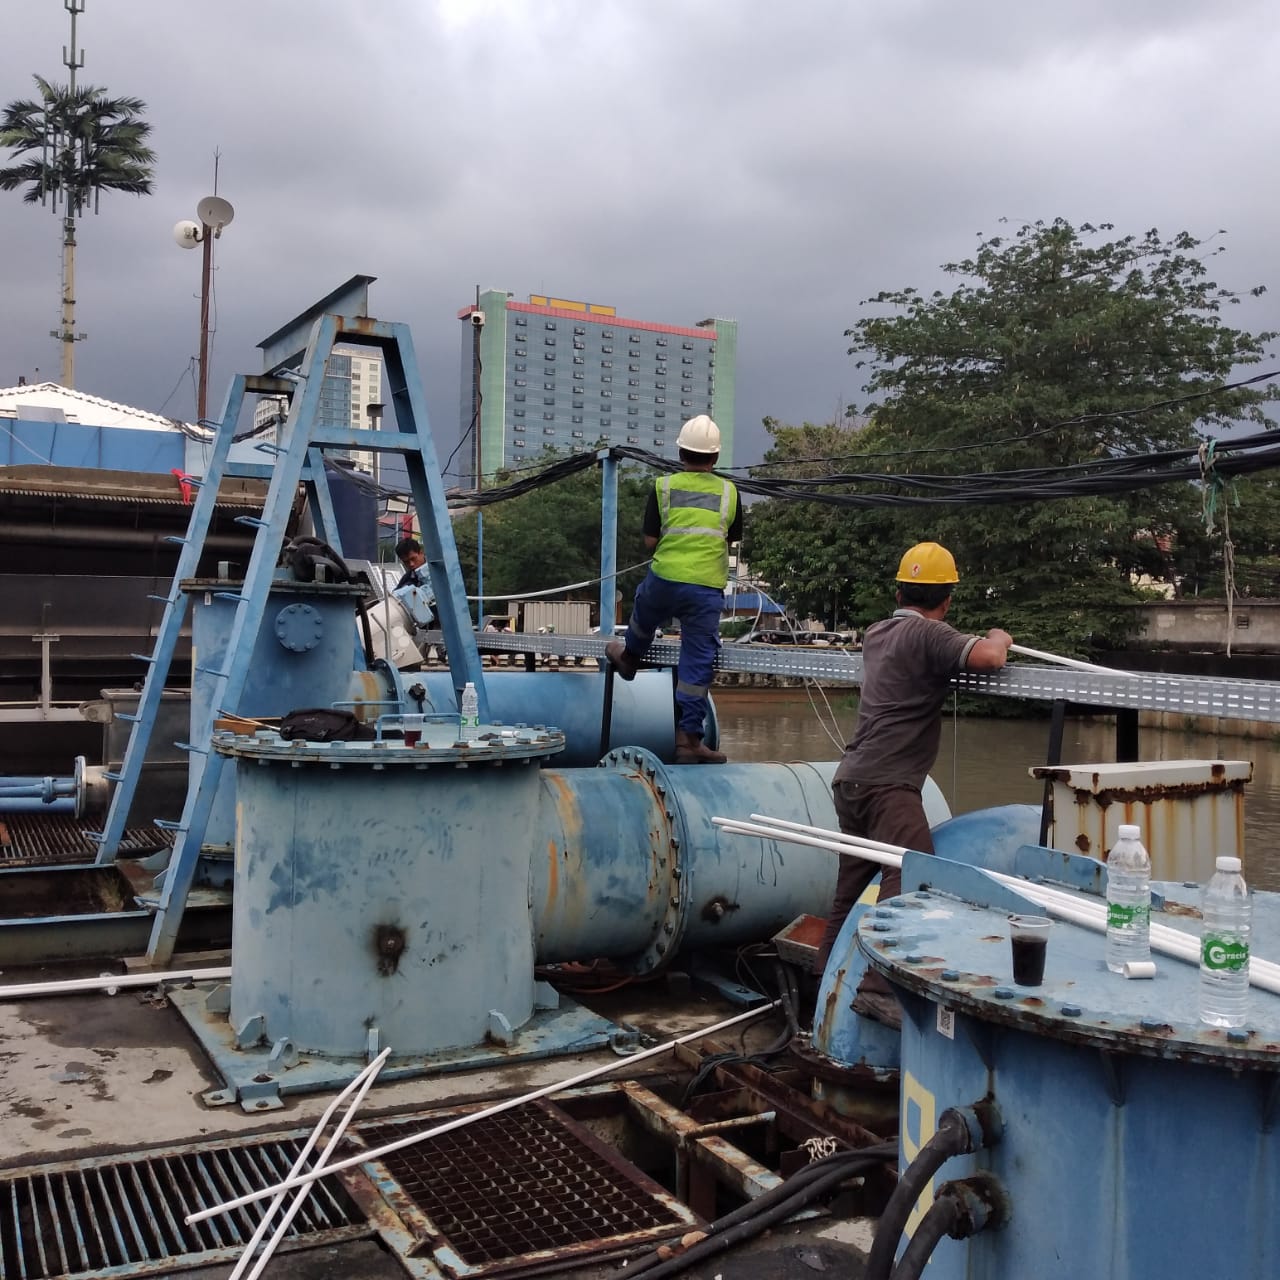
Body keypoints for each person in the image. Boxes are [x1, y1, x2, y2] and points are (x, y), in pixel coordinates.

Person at [815, 541, 1013, 1027]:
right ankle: (880, 988)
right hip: (888, 784)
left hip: (852, 779)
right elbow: (989, 658)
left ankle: (820, 991)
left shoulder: (878, 632)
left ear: (899, 590)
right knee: (914, 871)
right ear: (945, 599)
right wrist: (1000, 635)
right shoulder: (929, 634)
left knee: (849, 891)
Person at [606, 415, 742, 764]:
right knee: (697, 661)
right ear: (715, 458)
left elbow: (651, 541)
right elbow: (733, 539)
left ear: (680, 451)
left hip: (664, 578)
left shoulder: (662, 486)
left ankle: (630, 657)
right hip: (705, 589)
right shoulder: (730, 492)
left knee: (644, 611)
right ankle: (688, 740)